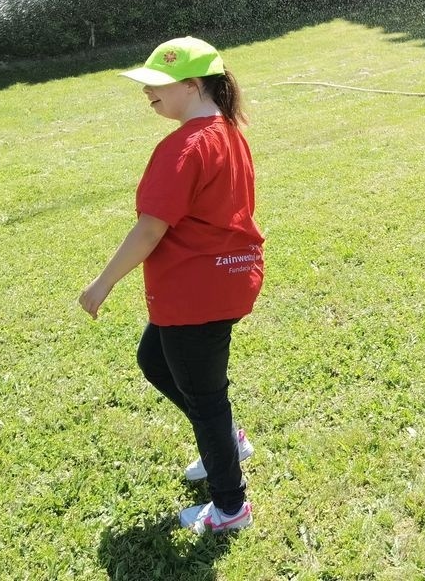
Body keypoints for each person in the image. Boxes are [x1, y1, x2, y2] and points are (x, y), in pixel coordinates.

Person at [79, 37, 264, 535]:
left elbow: (149, 228)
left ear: (191, 84)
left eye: (157, 85)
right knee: (155, 359)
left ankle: (230, 508)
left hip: (197, 292)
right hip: (226, 279)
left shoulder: (185, 145)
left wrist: (102, 283)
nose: (147, 94)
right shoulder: (227, 130)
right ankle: (225, 440)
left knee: (205, 399)